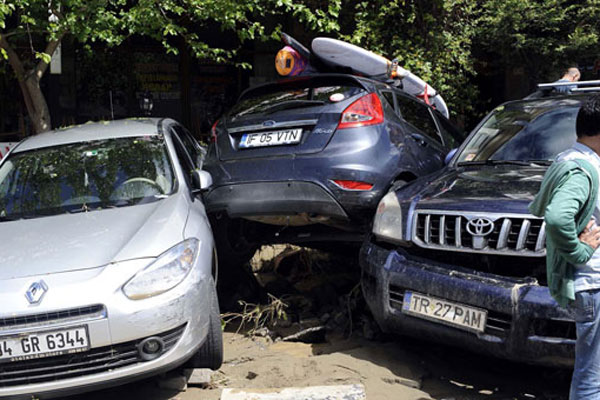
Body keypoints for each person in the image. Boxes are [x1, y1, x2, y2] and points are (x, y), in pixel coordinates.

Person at [529, 94, 600, 399]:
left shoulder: (568, 159)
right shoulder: (582, 171)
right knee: (592, 377)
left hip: (586, 285)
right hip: (593, 283)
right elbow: (557, 218)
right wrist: (580, 250)